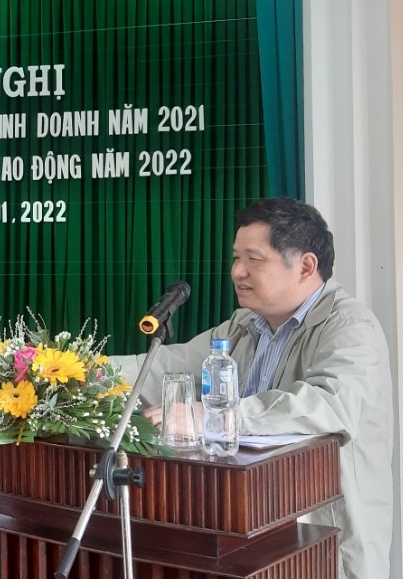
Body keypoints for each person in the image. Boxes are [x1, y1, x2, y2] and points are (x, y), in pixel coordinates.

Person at [113, 197, 392, 579]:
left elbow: (327, 403)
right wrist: (75, 369)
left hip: (323, 542)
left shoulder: (349, 326)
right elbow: (165, 367)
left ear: (305, 266)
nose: (237, 272)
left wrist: (211, 417)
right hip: (254, 530)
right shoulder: (245, 324)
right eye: (235, 258)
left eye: (253, 260)